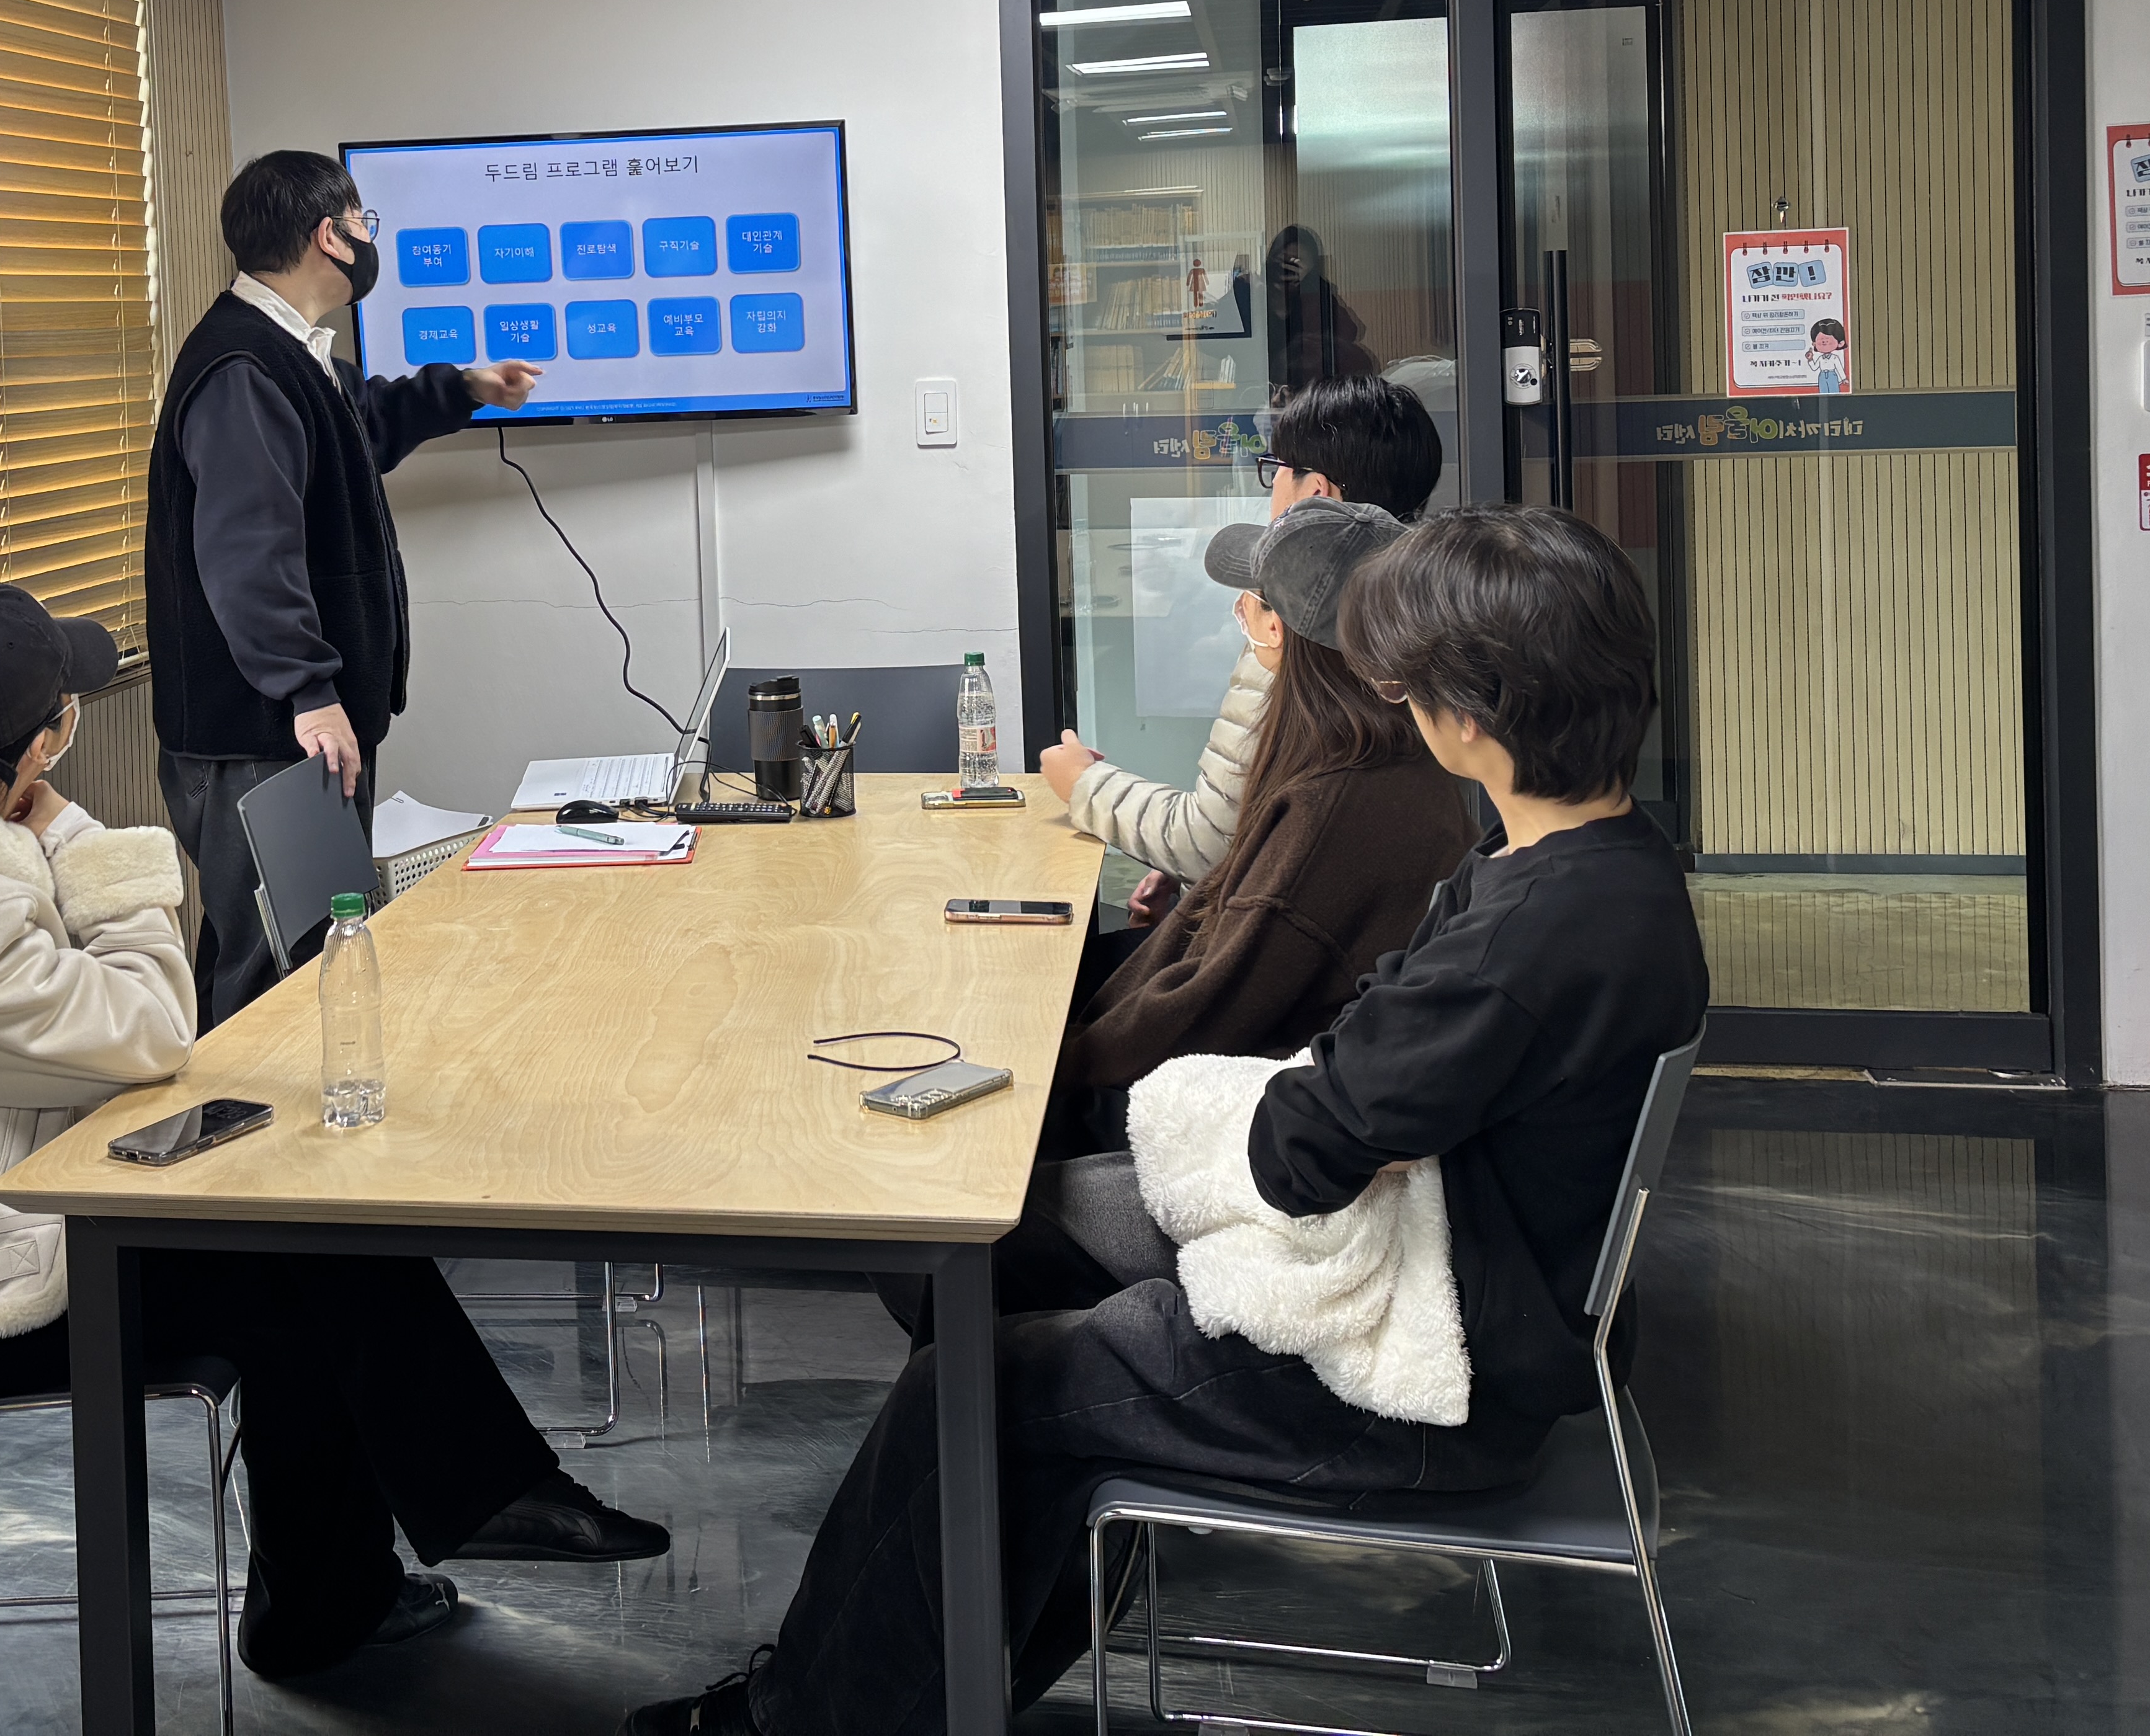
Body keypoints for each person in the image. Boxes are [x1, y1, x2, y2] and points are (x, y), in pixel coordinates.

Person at [620, 505, 1708, 1736]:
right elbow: (1366, 1063)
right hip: (1464, 1280)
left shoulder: (1525, 937)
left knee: (972, 1391)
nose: (1395, 702)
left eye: (1406, 685)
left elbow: (1303, 1150)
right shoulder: (1592, 862)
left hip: (1429, 1380)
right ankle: (942, 1672)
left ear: (1469, 713)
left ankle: (802, 1719)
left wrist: (1313, 1100)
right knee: (1005, 1261)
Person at [0, 581, 665, 1685]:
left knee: (301, 1244)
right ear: (42, 746)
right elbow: (149, 1027)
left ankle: (417, 1542)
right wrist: (81, 839)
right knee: (284, 1272)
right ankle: (381, 1569)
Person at [149, 150, 542, 1023]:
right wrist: (308, 691)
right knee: (273, 972)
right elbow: (248, 551)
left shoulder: (291, 352)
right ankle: (247, 1113)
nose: (370, 240)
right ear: (330, 236)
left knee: (300, 953)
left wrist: (464, 390)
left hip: (297, 726)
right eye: (365, 224)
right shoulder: (243, 368)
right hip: (264, 732)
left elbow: (359, 430)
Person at [1050, 497, 1470, 1149]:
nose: (1239, 612)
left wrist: (1049, 1060)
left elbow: (1207, 1010)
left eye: (1250, 599)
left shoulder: (1333, 802)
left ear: (1277, 628)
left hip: (1251, 1117)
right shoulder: (1393, 753)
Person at [1037, 376, 1446, 932]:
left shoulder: (1298, 635)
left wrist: (1082, 785)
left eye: (1277, 466)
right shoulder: (1422, 618)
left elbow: (1207, 842)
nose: (1272, 483)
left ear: (1315, 491)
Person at [1262, 221, 1378, 396]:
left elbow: (1348, 333)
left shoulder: (1316, 296)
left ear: (1311, 269)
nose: (1287, 269)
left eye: (1296, 264)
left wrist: (1310, 287)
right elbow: (1221, 338)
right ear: (1271, 262)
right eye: (1282, 262)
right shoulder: (1253, 294)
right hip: (1257, 393)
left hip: (1310, 394)